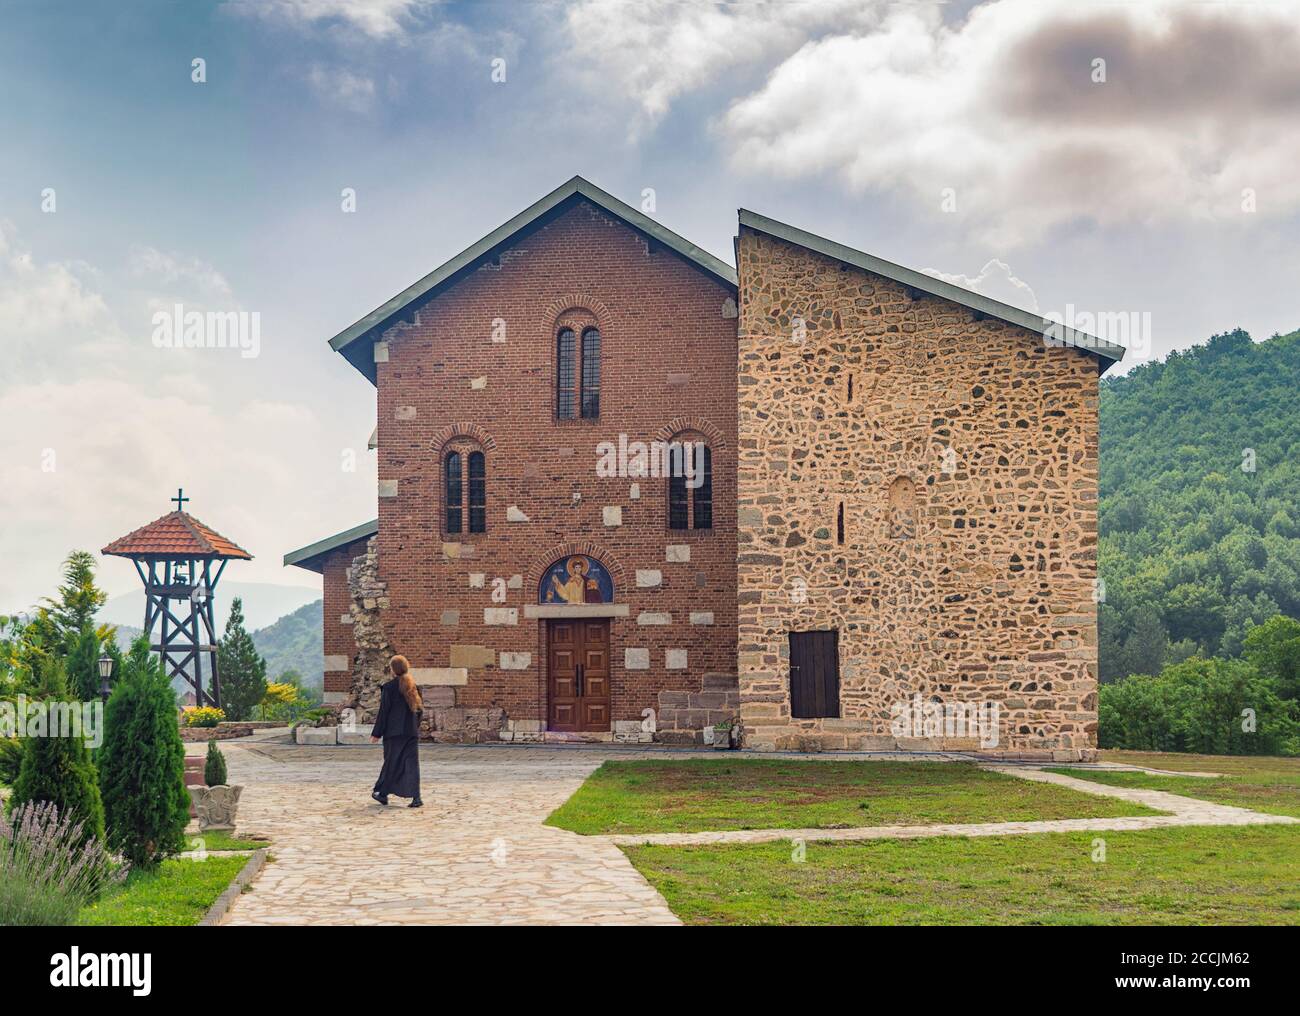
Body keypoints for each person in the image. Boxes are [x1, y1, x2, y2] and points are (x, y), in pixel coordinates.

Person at [369, 655, 423, 808]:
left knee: (391, 763)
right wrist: (414, 726)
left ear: (392, 670)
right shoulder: (414, 687)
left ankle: (383, 793)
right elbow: (419, 711)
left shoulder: (389, 688)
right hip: (410, 733)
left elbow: (384, 712)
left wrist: (376, 733)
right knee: (412, 765)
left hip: (394, 734)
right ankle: (416, 798)